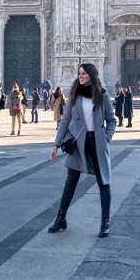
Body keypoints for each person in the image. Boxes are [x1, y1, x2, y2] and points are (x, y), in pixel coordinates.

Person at [49, 63, 116, 238]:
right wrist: (56, 144)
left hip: (97, 142)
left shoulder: (102, 96)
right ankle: (60, 218)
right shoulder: (74, 95)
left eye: (84, 74)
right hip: (78, 143)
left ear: (92, 76)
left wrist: (106, 138)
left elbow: (111, 120)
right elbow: (66, 120)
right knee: (70, 181)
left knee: (103, 183)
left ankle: (105, 222)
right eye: (79, 73)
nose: (80, 76)